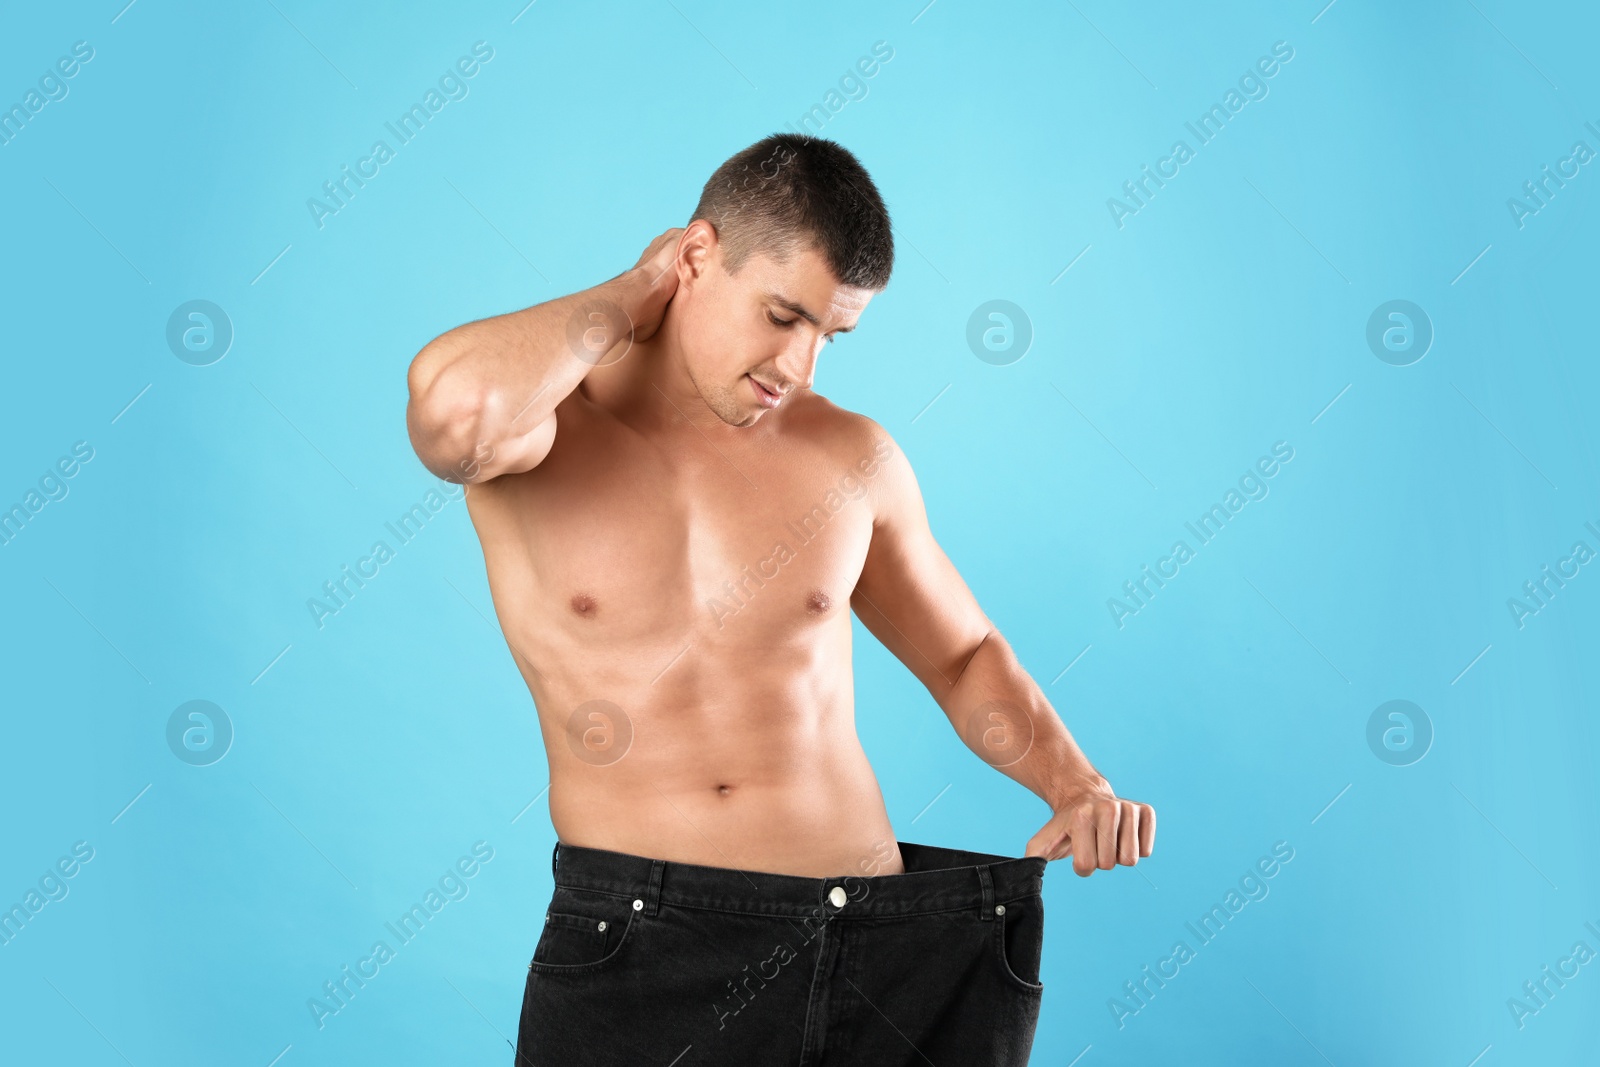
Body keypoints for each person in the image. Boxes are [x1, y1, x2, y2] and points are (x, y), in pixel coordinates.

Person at [404, 133, 1154, 1066]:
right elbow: (455, 420)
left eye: (828, 335)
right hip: (647, 951)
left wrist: (1073, 782)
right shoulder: (546, 431)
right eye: (781, 315)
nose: (798, 366)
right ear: (695, 255)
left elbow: (962, 658)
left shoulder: (852, 458)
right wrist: (630, 297)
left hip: (882, 943)